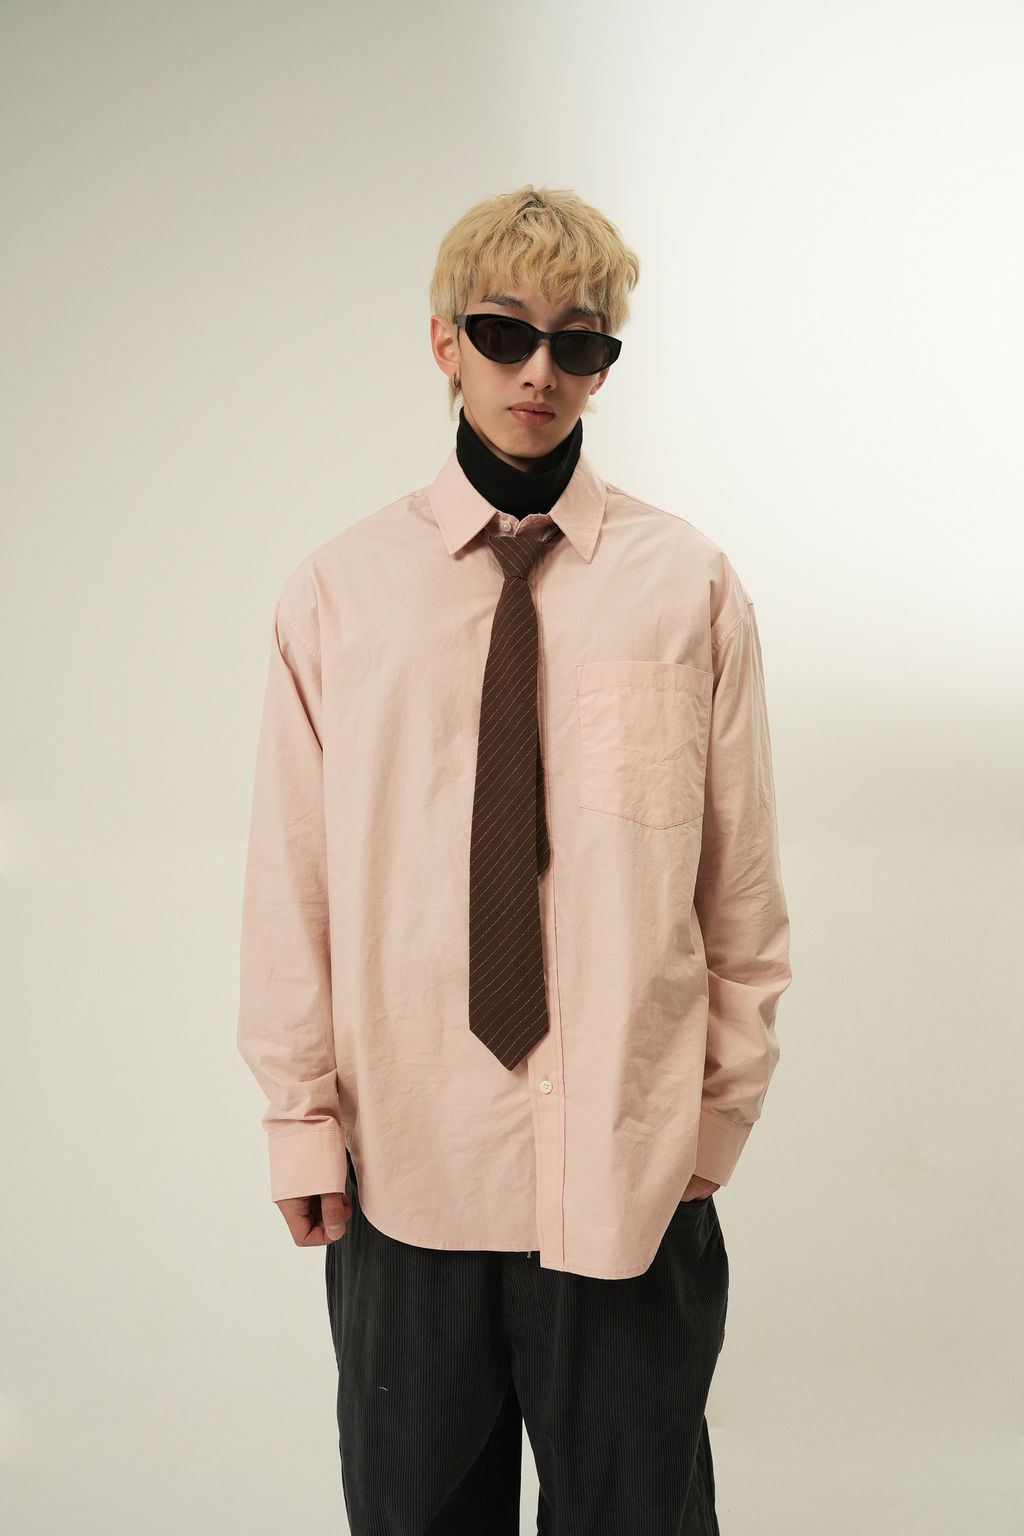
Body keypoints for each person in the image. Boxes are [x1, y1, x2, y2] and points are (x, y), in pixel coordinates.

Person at [237, 183, 792, 1535]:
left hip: (627, 1167)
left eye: (578, 341)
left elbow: (741, 891)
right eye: (504, 333)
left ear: (607, 362)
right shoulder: (339, 595)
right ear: (445, 342)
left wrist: (713, 1120)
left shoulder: (688, 586)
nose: (539, 370)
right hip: (407, 1171)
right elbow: (291, 887)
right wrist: (300, 1116)